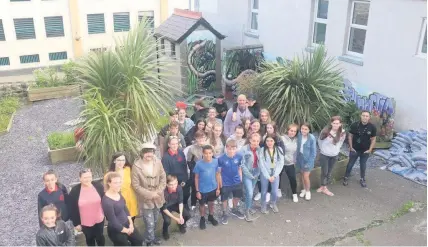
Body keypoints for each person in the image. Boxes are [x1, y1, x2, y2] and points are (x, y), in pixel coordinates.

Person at [132, 143, 166, 246]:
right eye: (146, 152)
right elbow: (136, 185)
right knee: (149, 222)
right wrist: (151, 194)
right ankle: (149, 240)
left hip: (158, 197)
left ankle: (151, 238)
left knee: (155, 220)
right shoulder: (136, 166)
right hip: (146, 199)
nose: (148, 155)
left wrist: (158, 192)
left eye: (150, 152)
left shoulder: (158, 162)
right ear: (142, 153)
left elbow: (163, 177)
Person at [103, 172, 143, 246]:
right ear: (109, 183)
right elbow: (113, 220)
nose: (119, 184)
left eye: (120, 182)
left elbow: (125, 209)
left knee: (139, 240)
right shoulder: (106, 201)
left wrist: (131, 224)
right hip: (116, 229)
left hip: (127, 223)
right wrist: (126, 231)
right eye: (115, 183)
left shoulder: (118, 193)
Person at [68, 168, 105, 246]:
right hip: (85, 222)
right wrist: (76, 224)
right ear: (80, 178)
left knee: (100, 237)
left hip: (99, 219)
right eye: (85, 177)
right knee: (89, 239)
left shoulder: (98, 186)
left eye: (89, 177)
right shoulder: (75, 191)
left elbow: (104, 200)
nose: (87, 179)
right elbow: (72, 208)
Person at [343, 111, 377, 188]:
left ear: (369, 117)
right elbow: (350, 136)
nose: (365, 117)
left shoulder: (372, 127)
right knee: (350, 164)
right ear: (360, 116)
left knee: (363, 165)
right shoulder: (354, 125)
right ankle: (346, 177)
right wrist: (351, 147)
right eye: (363, 115)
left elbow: (374, 139)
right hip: (354, 149)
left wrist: (370, 149)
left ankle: (362, 179)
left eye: (367, 116)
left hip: (365, 151)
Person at [193, 145, 221, 230]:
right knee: (202, 205)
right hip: (202, 189)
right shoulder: (198, 164)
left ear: (212, 153)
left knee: (211, 203)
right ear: (203, 153)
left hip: (213, 187)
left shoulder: (216, 162)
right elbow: (196, 177)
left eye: (210, 153)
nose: (208, 155)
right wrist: (197, 191)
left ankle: (211, 216)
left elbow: (217, 174)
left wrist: (218, 188)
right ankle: (202, 218)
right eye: (206, 153)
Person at [318, 116, 346, 196]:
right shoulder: (325, 131)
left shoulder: (342, 132)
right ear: (331, 123)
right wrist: (322, 149)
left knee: (329, 172)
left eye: (337, 123)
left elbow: (341, 142)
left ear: (340, 124)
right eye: (334, 123)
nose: (336, 125)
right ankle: (323, 187)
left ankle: (324, 186)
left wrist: (337, 149)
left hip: (334, 155)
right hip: (324, 155)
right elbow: (319, 141)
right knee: (324, 171)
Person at [218, 139, 245, 225]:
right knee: (224, 199)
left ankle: (234, 209)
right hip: (225, 183)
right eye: (229, 149)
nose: (231, 151)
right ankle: (224, 213)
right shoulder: (221, 159)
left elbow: (239, 168)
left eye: (233, 149)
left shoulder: (239, 156)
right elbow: (218, 173)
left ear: (236, 148)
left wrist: (240, 179)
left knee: (237, 196)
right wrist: (220, 184)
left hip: (237, 182)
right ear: (226, 148)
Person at [161, 137, 190, 210]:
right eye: (173, 144)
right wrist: (174, 183)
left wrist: (184, 179)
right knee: (176, 195)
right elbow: (166, 173)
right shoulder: (165, 158)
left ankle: (185, 204)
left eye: (176, 144)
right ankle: (176, 208)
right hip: (173, 181)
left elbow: (184, 166)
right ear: (169, 144)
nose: (175, 146)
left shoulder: (181, 152)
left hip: (183, 178)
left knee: (186, 193)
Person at [258, 135, 285, 213]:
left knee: (275, 191)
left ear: (274, 141)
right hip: (265, 173)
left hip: (275, 173)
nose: (269, 143)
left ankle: (273, 203)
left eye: (271, 141)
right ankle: (263, 205)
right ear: (265, 142)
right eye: (267, 141)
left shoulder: (279, 149)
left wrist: (275, 175)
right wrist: (267, 176)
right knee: (264, 190)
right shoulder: (262, 150)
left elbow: (281, 163)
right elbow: (261, 164)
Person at [108, 152, 139, 221]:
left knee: (132, 218)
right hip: (118, 199)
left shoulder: (128, 169)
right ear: (114, 161)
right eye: (119, 160)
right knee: (122, 220)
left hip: (130, 197)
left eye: (123, 160)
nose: (121, 162)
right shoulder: (109, 174)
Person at [161, 175, 191, 240]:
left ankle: (181, 225)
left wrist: (180, 216)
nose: (174, 186)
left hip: (175, 204)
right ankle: (164, 231)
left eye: (175, 183)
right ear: (167, 184)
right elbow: (164, 209)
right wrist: (176, 218)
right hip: (166, 207)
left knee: (187, 215)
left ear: (177, 182)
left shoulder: (179, 188)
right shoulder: (163, 192)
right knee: (167, 221)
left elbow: (180, 202)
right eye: (171, 185)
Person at [239, 133, 261, 221]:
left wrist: (257, 173)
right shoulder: (244, 149)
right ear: (250, 140)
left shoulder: (259, 149)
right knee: (250, 192)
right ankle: (247, 212)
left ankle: (249, 206)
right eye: (254, 141)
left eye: (257, 141)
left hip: (256, 172)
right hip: (247, 173)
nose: (255, 143)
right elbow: (242, 164)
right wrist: (249, 175)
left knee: (250, 192)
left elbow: (261, 162)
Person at [187, 130, 208, 210]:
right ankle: (193, 202)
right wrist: (194, 170)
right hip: (195, 169)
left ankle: (204, 201)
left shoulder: (208, 147)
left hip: (206, 170)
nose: (201, 140)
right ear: (196, 138)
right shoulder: (192, 148)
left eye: (202, 138)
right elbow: (189, 161)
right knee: (195, 186)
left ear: (205, 138)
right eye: (199, 138)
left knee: (205, 186)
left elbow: (212, 159)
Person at [296, 123, 317, 201]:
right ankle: (304, 189)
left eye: (306, 129)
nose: (303, 130)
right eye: (302, 128)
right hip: (300, 158)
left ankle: (308, 191)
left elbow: (313, 153)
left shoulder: (311, 138)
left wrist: (309, 163)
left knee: (306, 176)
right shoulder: (299, 135)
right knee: (302, 175)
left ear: (309, 130)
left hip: (308, 159)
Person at [281, 124, 299, 202]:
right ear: (288, 130)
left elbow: (296, 152)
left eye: (294, 131)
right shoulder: (282, 139)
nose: (292, 132)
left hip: (290, 163)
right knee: (278, 176)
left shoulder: (296, 140)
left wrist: (294, 160)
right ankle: (278, 190)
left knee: (293, 178)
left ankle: (294, 194)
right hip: (281, 162)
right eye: (291, 130)